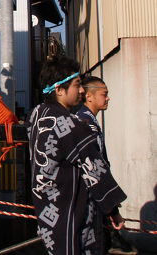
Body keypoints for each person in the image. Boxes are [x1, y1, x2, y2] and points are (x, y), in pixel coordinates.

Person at [26, 57, 126, 254]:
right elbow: (95, 170)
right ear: (59, 90)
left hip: (46, 206)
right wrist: (113, 211)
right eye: (77, 85)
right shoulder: (70, 125)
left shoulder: (36, 114)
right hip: (71, 206)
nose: (81, 91)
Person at [77, 76, 133, 253]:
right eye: (104, 94)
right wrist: (112, 210)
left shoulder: (87, 120)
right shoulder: (85, 124)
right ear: (89, 96)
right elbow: (95, 171)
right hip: (89, 201)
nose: (108, 98)